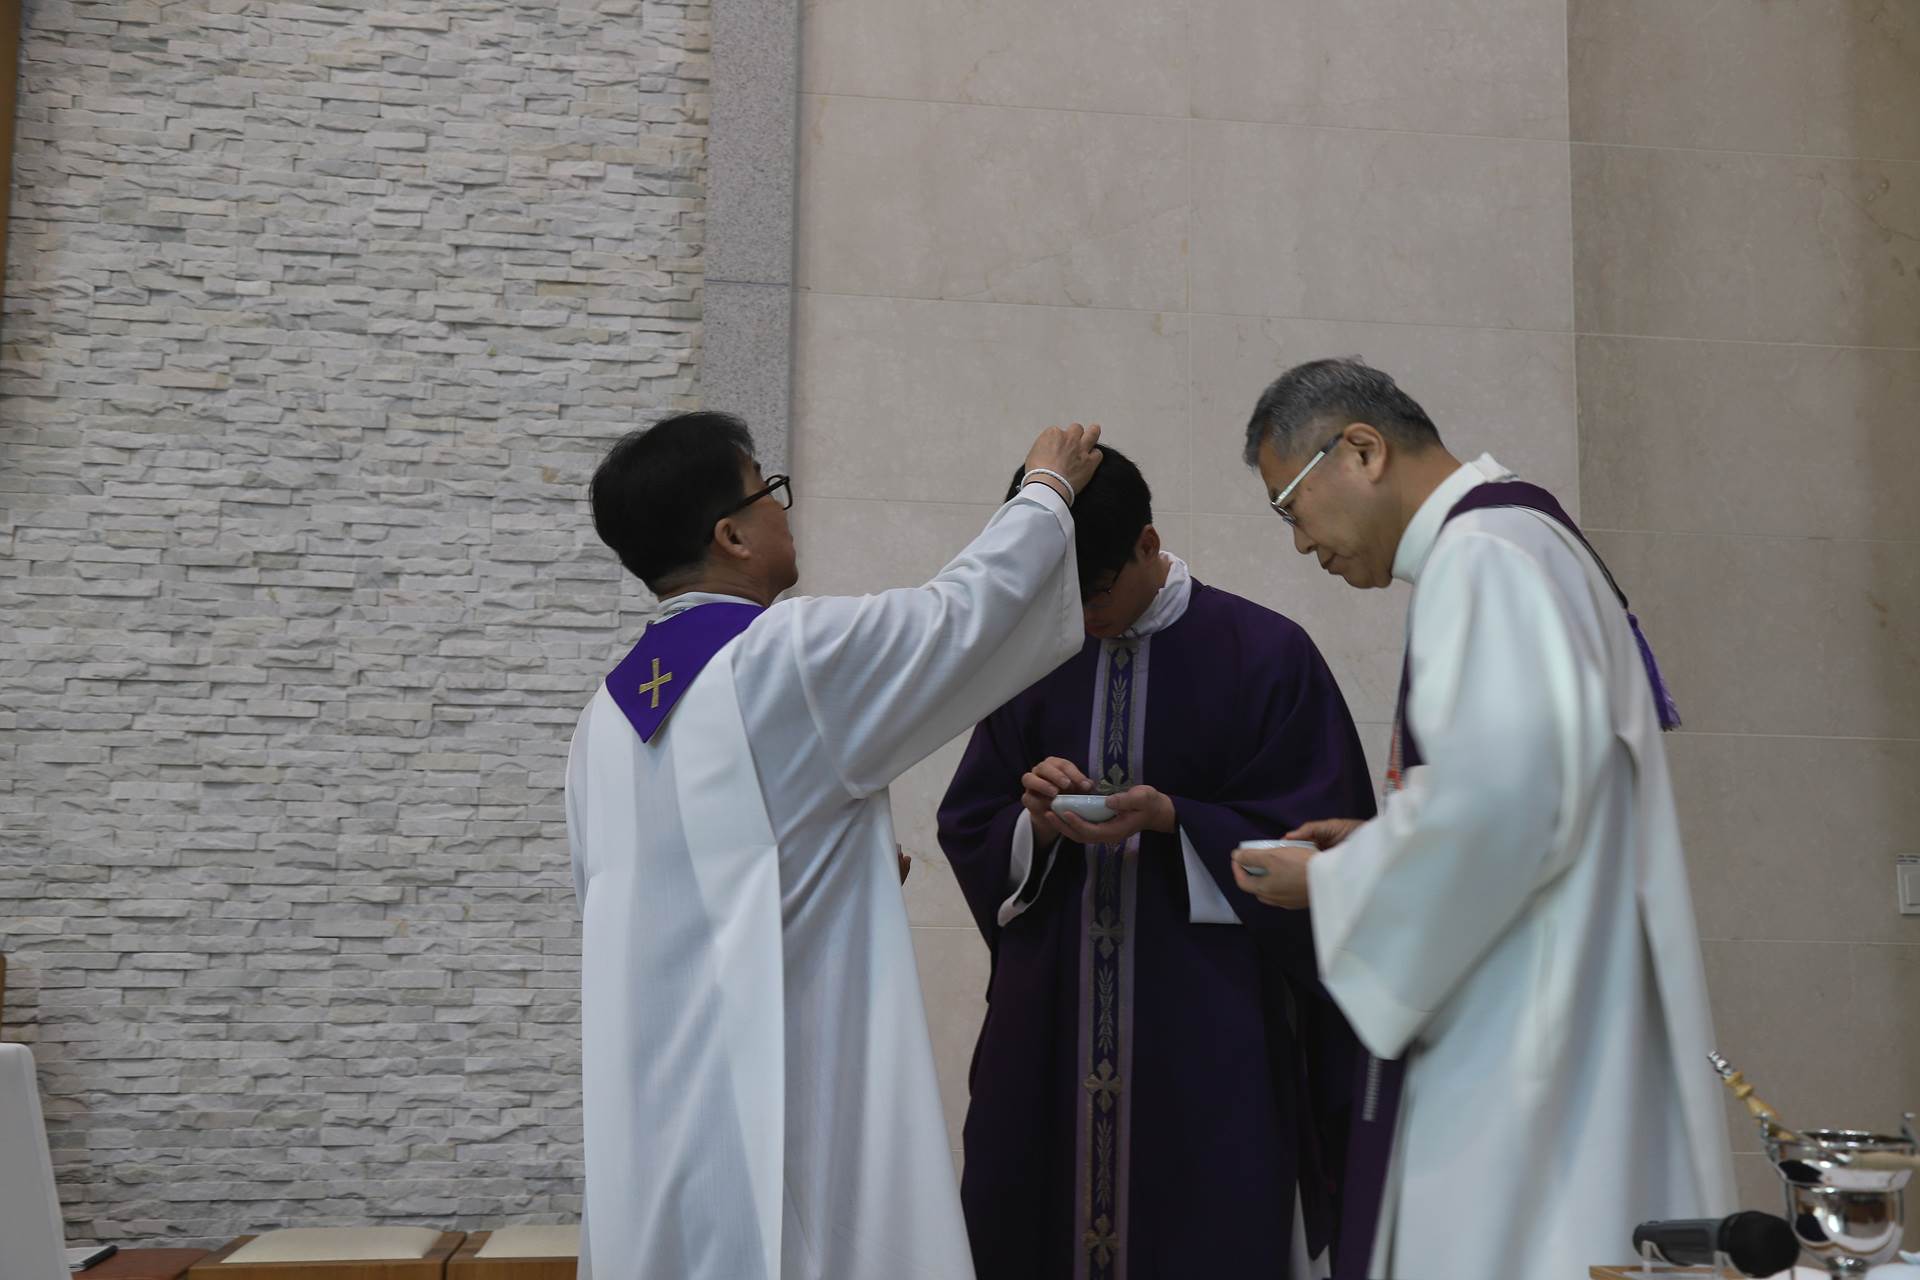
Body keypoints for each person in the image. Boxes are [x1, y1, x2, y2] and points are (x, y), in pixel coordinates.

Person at [1227, 358, 1735, 1279]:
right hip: (1565, 1001)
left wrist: (1335, 882)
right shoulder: (1521, 539)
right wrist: (1382, 844)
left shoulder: (1483, 557)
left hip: (1529, 1048)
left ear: (1363, 451)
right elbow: (1526, 792)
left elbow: (1503, 813)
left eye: (1289, 507)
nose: (1299, 544)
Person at [566, 411, 1104, 1280]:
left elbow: (676, 905)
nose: (785, 510)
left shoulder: (603, 722)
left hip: (655, 1128)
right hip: (781, 1107)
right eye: (768, 490)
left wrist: (833, 873)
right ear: (732, 535)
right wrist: (1046, 492)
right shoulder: (782, 655)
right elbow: (956, 620)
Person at [936, 445, 1376, 1280]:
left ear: (1147, 544)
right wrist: (1037, 825)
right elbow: (970, 824)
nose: (1081, 616)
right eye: (1059, 595)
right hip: (1049, 1027)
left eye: (1094, 592)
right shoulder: (1035, 656)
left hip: (1208, 1026)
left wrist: (1178, 819)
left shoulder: (1266, 654)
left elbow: (1330, 849)